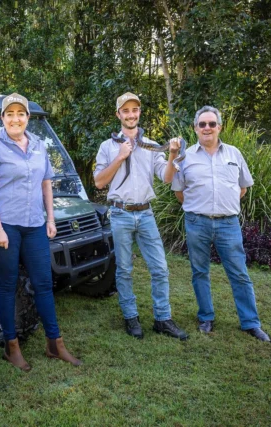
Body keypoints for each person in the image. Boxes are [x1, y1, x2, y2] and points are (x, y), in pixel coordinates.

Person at [0, 93, 81, 371]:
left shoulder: (37, 145)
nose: (15, 118)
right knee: (8, 285)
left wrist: (50, 218)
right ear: (2, 118)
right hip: (4, 225)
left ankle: (54, 344)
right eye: (9, 114)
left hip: (34, 223)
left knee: (44, 283)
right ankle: (12, 347)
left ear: (28, 118)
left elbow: (46, 183)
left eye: (20, 113)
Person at [171, 106, 271, 342]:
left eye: (211, 124)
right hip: (197, 222)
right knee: (199, 271)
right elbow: (179, 192)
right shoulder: (185, 157)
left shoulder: (234, 154)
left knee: (239, 273)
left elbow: (243, 188)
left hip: (228, 224)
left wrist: (221, 207)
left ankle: (250, 323)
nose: (207, 128)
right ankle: (206, 317)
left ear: (219, 127)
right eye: (202, 124)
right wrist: (201, 208)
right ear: (195, 128)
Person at [94, 92, 188, 340]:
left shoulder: (152, 145)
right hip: (120, 213)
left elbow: (166, 178)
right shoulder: (107, 146)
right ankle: (131, 317)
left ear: (139, 113)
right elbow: (100, 182)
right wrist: (120, 155)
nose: (131, 114)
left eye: (134, 109)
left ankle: (163, 319)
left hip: (145, 213)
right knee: (124, 269)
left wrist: (171, 154)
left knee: (160, 268)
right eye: (125, 110)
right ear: (118, 115)